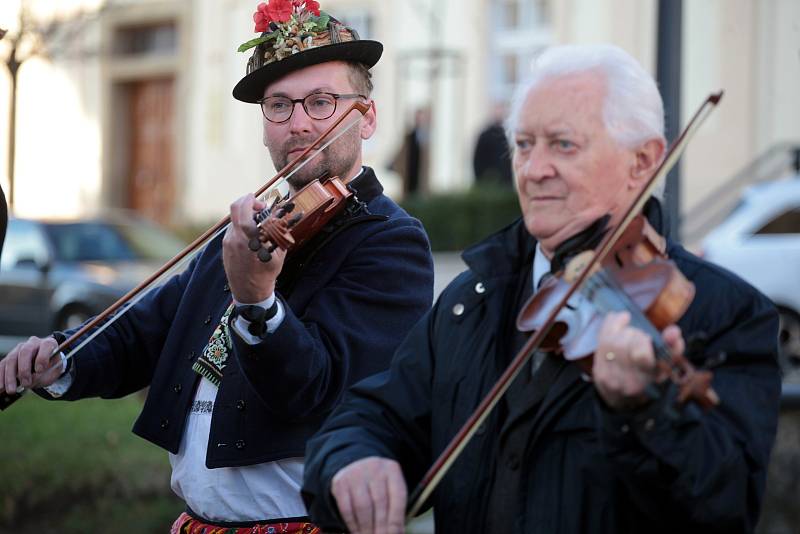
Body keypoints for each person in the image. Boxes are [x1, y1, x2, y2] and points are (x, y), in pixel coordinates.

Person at [302, 44, 781, 533]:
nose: (533, 171)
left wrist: (648, 411)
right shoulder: (472, 301)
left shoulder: (726, 313)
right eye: (526, 145)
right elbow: (370, 415)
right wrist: (354, 458)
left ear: (644, 161)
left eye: (563, 145)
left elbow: (727, 506)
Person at [0, 2, 434, 532]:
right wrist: (61, 361)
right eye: (278, 106)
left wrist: (257, 304)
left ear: (365, 116)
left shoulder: (392, 242)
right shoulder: (251, 227)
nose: (298, 124)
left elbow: (314, 390)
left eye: (321, 102)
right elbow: (145, 332)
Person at [389, 107, 431, 196]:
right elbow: (402, 155)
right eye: (418, 118)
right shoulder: (409, 135)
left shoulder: (426, 136)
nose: (419, 120)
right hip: (409, 174)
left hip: (420, 176)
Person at [472, 101, 513, 187]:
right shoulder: (485, 135)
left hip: (506, 183)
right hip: (488, 181)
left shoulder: (507, 134)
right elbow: (478, 160)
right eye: (497, 108)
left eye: (501, 108)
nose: (499, 111)